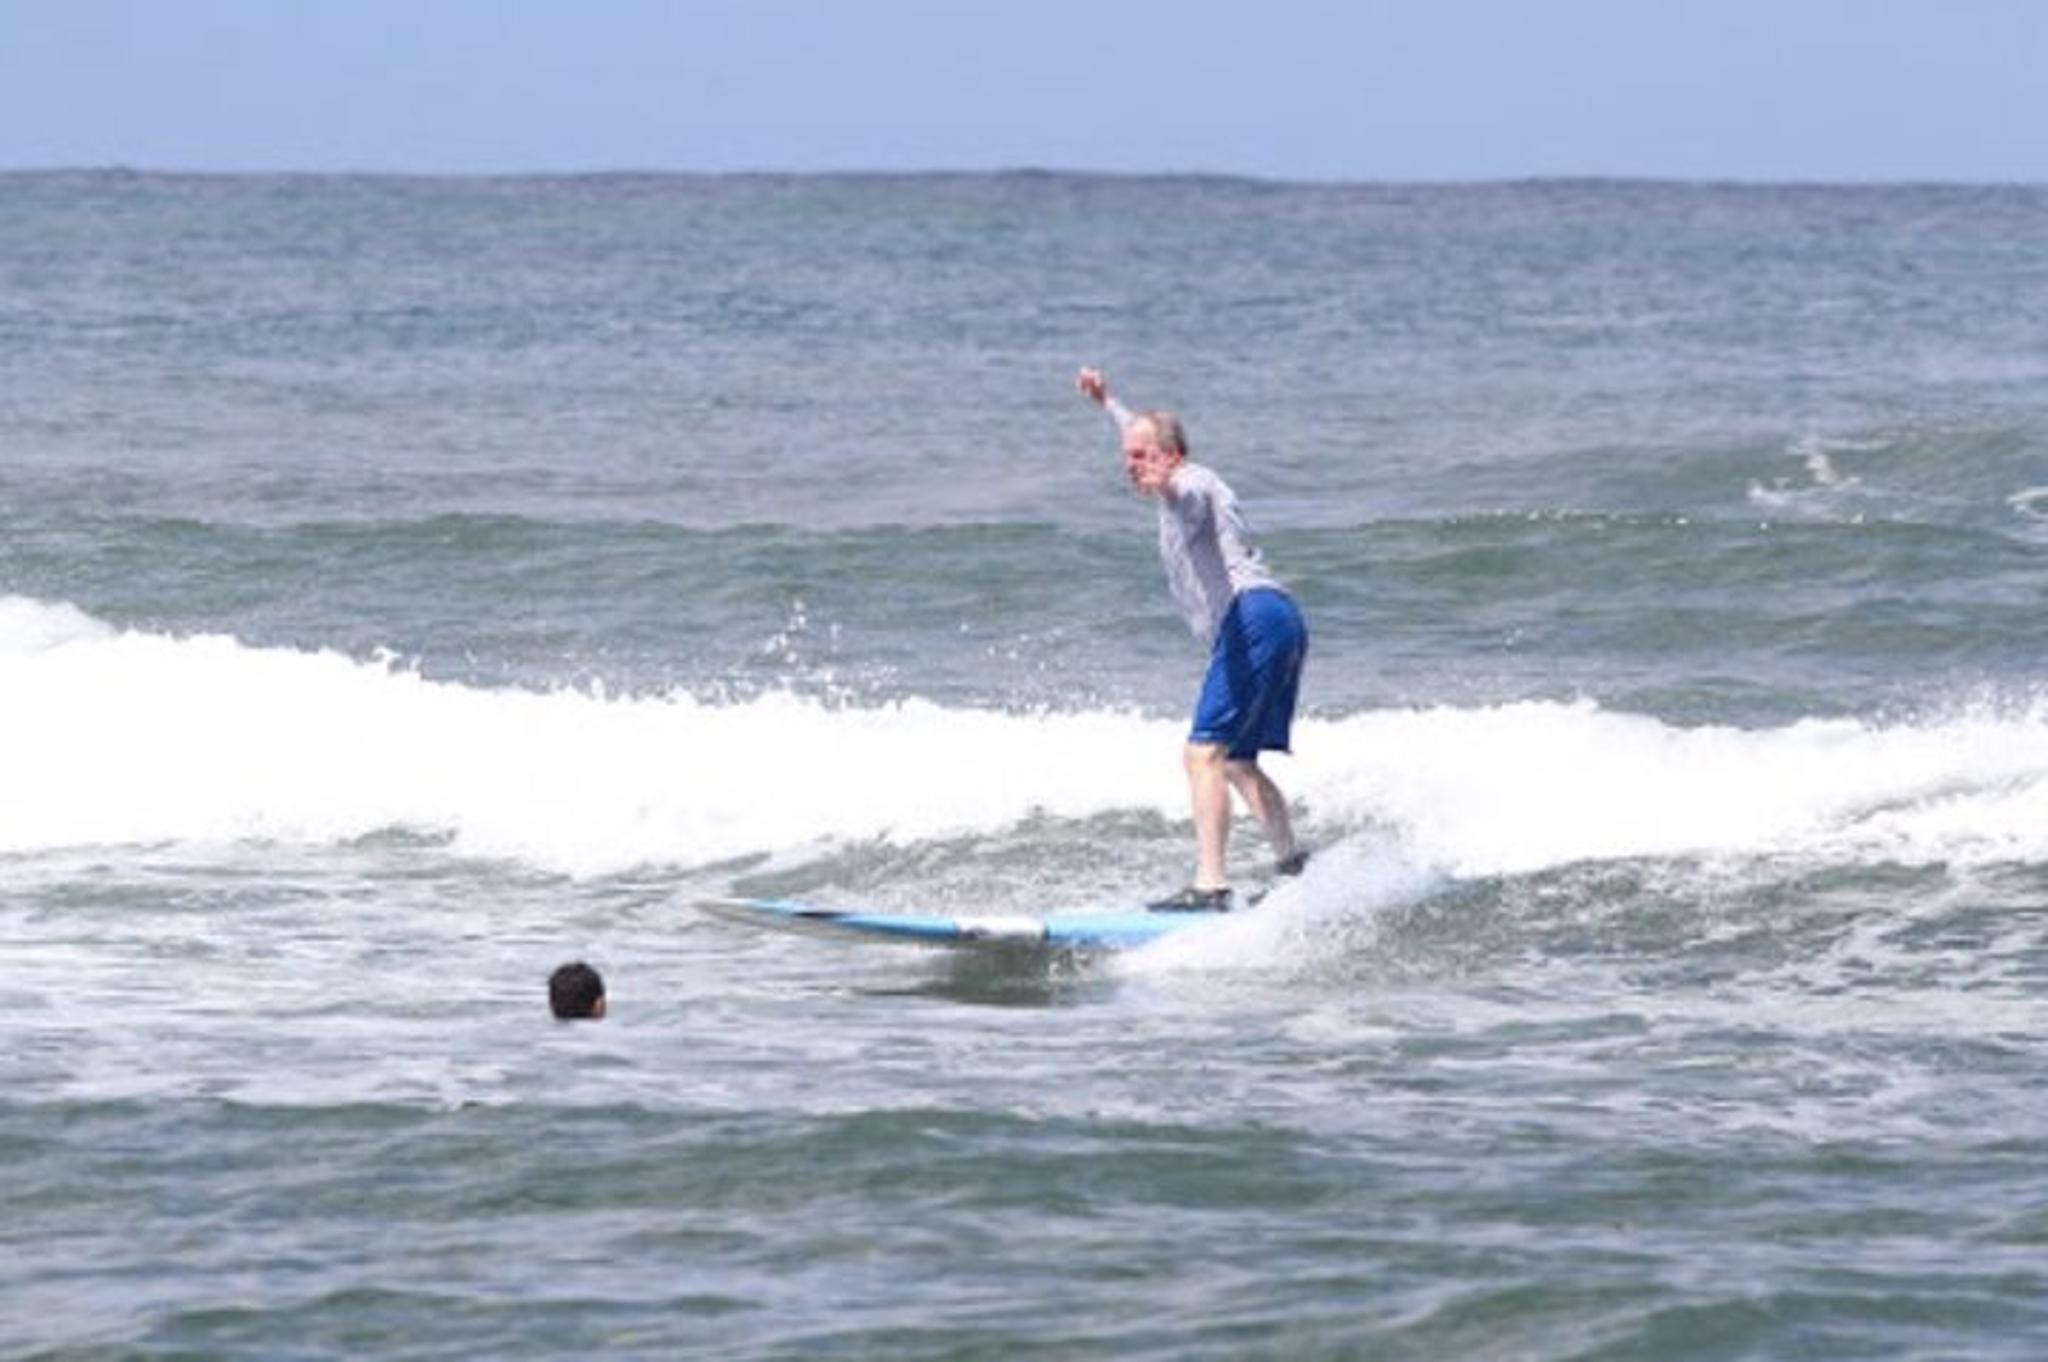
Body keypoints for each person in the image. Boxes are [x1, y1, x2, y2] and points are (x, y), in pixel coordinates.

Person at [1077, 367, 1309, 911]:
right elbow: (1140, 433)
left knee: (1201, 753)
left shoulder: (1193, 482)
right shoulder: (1173, 467)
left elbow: (1186, 495)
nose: (1130, 466)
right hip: (1281, 619)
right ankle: (1294, 862)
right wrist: (1107, 401)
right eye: (1128, 456)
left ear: (1172, 455)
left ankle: (1210, 885)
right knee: (1236, 761)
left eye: (1141, 457)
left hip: (1250, 617)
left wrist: (1169, 483)